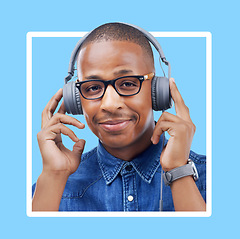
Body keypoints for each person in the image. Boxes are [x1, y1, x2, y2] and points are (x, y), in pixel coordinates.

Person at [32, 23, 206, 211]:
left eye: (128, 83)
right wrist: (53, 176)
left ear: (159, 91)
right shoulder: (50, 188)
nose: (110, 105)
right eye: (92, 87)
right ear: (75, 99)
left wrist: (178, 171)